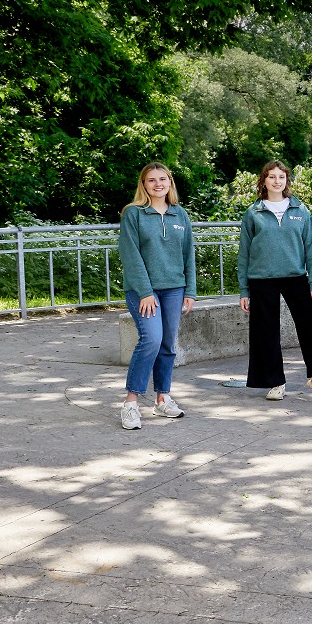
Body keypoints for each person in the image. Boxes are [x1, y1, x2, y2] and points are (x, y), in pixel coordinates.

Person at [237, 160, 312, 402]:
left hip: (296, 276)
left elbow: (311, 249)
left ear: (287, 181)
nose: (277, 181)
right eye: (271, 177)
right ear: (263, 181)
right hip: (261, 279)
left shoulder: (300, 210)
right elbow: (244, 254)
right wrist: (244, 289)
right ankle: (275, 382)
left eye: (281, 177)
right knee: (266, 331)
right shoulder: (253, 213)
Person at [117, 162, 196, 430]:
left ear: (170, 183)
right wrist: (146, 291)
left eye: (163, 179)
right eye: (151, 180)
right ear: (144, 185)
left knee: (167, 344)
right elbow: (131, 255)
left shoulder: (180, 214)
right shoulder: (133, 214)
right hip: (142, 291)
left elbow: (188, 255)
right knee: (151, 339)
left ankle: (163, 398)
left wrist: (190, 291)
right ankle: (130, 404)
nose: (158, 184)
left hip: (174, 289)